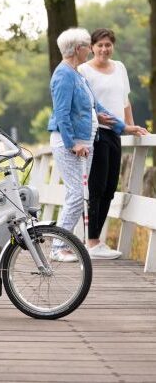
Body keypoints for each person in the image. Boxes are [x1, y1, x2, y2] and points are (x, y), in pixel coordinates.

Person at [47, 27, 146, 262]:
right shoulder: (64, 74)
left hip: (85, 141)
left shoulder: (77, 75)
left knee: (78, 193)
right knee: (76, 193)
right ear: (79, 49)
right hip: (70, 143)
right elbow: (61, 114)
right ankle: (57, 247)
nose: (90, 50)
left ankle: (63, 244)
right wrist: (72, 144)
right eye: (86, 46)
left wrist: (123, 127)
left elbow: (96, 108)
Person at [78, 28, 148, 259]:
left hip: (116, 134)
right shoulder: (83, 70)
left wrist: (132, 126)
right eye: (100, 45)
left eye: (108, 45)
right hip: (96, 134)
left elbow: (125, 101)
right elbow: (82, 104)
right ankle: (92, 241)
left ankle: (96, 240)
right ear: (92, 47)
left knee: (110, 188)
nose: (104, 49)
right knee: (97, 188)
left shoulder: (119, 67)